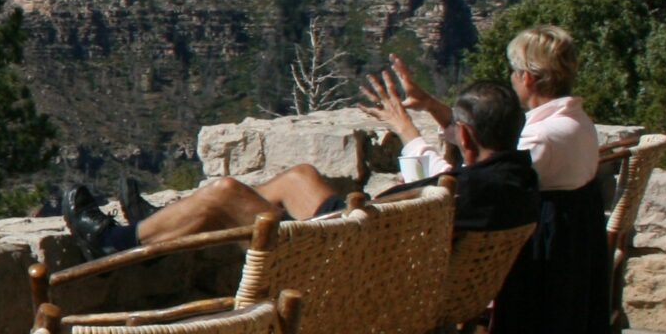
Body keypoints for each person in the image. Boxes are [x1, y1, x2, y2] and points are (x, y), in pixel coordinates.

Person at [379, 25, 608, 334]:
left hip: (531, 262)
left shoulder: (541, 138)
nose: (512, 77)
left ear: (529, 78)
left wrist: (408, 134)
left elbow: (470, 180)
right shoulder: (574, 121)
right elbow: (486, 145)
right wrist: (433, 105)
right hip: (566, 245)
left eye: (513, 69)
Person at [59, 78, 538, 255]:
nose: (449, 138)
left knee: (226, 190)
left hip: (346, 259)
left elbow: (407, 209)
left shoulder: (463, 189)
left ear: (470, 137)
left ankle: (113, 243)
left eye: (453, 130)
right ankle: (159, 223)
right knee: (300, 176)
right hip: (373, 239)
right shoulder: (517, 177)